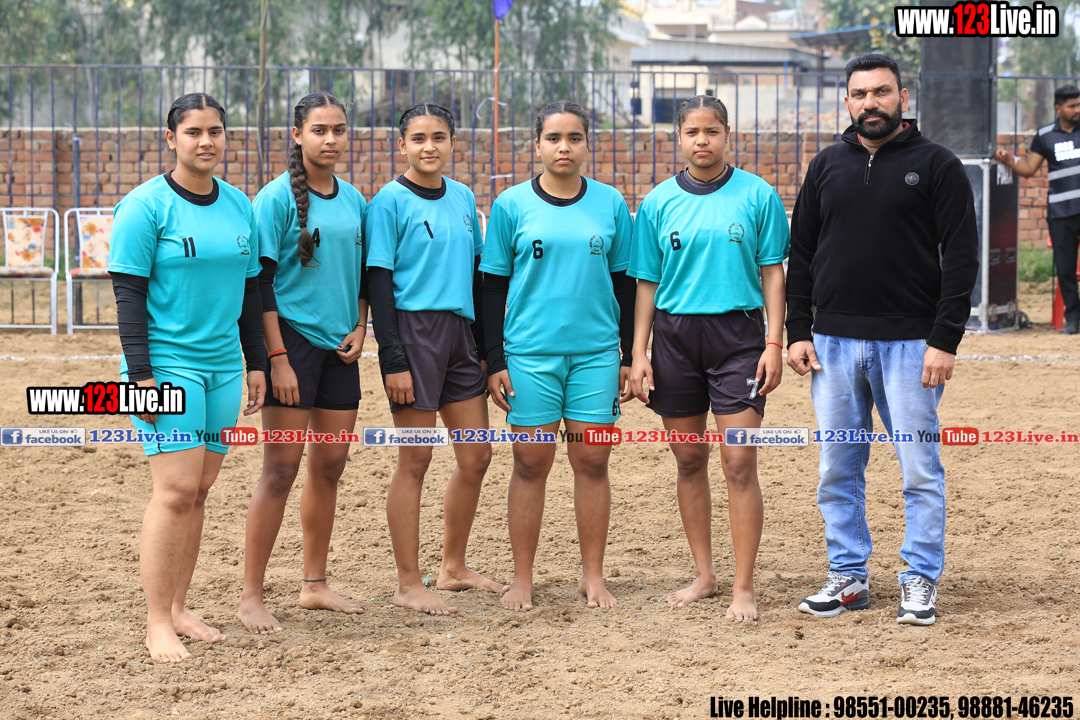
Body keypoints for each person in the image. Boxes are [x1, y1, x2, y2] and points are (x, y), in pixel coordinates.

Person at [787, 53, 979, 626]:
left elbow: (962, 257)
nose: (870, 103)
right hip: (833, 345)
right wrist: (798, 330)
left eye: (881, 92)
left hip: (911, 345)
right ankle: (848, 576)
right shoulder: (826, 165)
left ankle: (920, 579)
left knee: (919, 469)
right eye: (860, 93)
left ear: (902, 97)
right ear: (847, 101)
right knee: (836, 469)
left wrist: (944, 339)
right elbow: (801, 253)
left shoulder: (938, 164)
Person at [109, 93, 266, 662]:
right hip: (165, 366)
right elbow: (128, 296)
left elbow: (251, 290)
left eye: (215, 131)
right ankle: (156, 622)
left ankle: (178, 608)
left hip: (222, 368)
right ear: (171, 138)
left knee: (198, 491)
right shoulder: (144, 207)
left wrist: (255, 362)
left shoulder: (239, 205)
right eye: (194, 132)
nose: (206, 141)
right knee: (174, 491)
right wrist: (141, 377)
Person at [628, 95, 788, 620]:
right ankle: (705, 575)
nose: (703, 140)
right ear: (678, 137)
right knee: (690, 459)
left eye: (712, 131)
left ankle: (744, 587)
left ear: (727, 135)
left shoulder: (758, 195)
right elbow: (646, 282)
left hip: (738, 338)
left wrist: (773, 343)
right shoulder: (657, 202)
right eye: (693, 131)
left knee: (739, 462)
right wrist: (639, 352)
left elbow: (773, 273)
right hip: (675, 338)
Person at [482, 100, 636, 612]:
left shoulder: (611, 203)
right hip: (529, 355)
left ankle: (593, 576)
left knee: (592, 461)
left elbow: (626, 283)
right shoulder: (510, 205)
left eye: (574, 138)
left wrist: (627, 355)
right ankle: (522, 578)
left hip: (596, 355)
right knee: (530, 463)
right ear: (537, 145)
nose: (563, 147)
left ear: (587, 144)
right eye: (553, 138)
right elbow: (491, 287)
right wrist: (494, 360)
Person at [238, 92, 368, 634]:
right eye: (319, 129)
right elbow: (260, 283)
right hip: (291, 344)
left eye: (339, 129)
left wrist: (361, 325)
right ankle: (251, 595)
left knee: (330, 466)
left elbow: (363, 275)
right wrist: (277, 359)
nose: (330, 139)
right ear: (297, 135)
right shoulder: (274, 199)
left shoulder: (355, 198)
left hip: (341, 348)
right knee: (280, 470)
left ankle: (314, 584)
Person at [365, 102, 503, 615]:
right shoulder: (388, 202)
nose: (429, 147)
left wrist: (486, 351)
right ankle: (407, 583)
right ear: (401, 144)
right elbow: (378, 283)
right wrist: (393, 359)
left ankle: (452, 567)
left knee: (477, 455)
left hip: (459, 335)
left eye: (439, 137)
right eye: (419, 138)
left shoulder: (464, 196)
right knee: (416, 459)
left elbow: (478, 277)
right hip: (413, 334)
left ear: (452, 142)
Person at [995, 85, 1080, 334]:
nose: (1077, 109)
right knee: (1065, 269)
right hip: (1061, 214)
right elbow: (1029, 169)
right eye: (1072, 106)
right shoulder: (1045, 135)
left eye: (1079, 105)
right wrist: (1008, 159)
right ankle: (1073, 320)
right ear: (1058, 108)